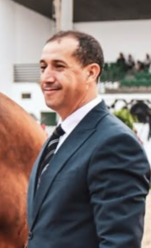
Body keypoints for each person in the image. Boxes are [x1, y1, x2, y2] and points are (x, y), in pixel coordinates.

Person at [27, 30, 151, 248]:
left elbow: (119, 243)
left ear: (91, 72)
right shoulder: (57, 138)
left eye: (59, 66)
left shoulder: (115, 144)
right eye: (43, 67)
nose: (46, 77)